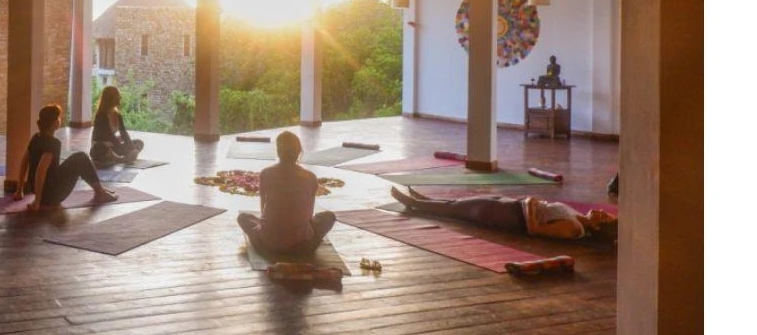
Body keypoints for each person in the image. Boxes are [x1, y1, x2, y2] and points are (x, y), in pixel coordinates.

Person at [237, 131, 338, 256]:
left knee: (243, 218)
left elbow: (263, 209)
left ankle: (274, 235)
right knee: (329, 217)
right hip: (303, 248)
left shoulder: (266, 174)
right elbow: (309, 215)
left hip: (268, 246)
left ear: (278, 151)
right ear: (298, 152)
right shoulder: (310, 177)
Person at [388, 187, 618, 241]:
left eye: (604, 217)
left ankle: (414, 204)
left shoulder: (574, 229)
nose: (601, 211)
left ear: (598, 228)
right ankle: (426, 201)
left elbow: (534, 230)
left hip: (510, 216)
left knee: (456, 210)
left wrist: (529, 204)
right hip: (512, 205)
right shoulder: (576, 215)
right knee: (458, 204)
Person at [15, 104, 118, 211]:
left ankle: (99, 189)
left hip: (39, 191)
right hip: (51, 195)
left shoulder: (35, 138)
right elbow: (41, 170)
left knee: (77, 158)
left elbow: (24, 162)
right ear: (55, 123)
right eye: (59, 118)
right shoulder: (53, 143)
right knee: (81, 157)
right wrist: (36, 202)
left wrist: (19, 190)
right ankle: (100, 192)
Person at [89, 86, 145, 166]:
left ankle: (115, 159)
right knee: (101, 148)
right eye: (117, 96)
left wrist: (132, 149)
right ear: (110, 99)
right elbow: (110, 137)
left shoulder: (118, 115)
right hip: (101, 148)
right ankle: (120, 159)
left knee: (139, 143)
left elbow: (124, 133)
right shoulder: (101, 116)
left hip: (114, 147)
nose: (120, 97)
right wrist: (125, 152)